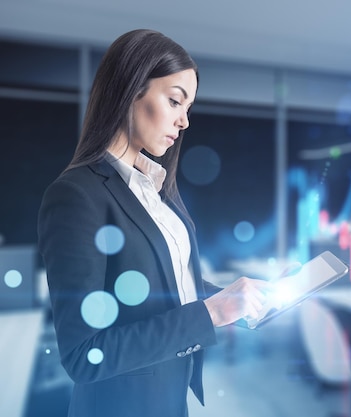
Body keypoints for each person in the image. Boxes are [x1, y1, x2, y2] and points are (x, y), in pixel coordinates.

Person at [37, 29, 273, 417]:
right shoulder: (76, 196)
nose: (184, 121)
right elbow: (84, 355)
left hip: (169, 398)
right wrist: (211, 314)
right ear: (131, 90)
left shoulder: (156, 190)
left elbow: (166, 286)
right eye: (175, 101)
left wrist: (233, 298)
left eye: (189, 108)